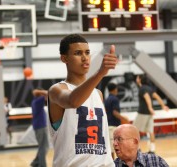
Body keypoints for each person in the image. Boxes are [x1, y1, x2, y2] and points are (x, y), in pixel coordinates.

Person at [48, 34, 117, 167]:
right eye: (78, 53)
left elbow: (103, 137)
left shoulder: (98, 94)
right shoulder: (56, 90)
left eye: (87, 52)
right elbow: (72, 101)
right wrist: (100, 73)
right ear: (64, 58)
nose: (85, 57)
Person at [133, 75, 169, 153]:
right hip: (149, 114)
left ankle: (138, 149)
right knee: (150, 131)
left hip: (143, 113)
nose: (136, 79)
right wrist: (163, 106)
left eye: (137, 77)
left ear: (139, 79)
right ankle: (152, 150)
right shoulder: (149, 88)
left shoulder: (142, 89)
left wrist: (150, 108)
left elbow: (147, 97)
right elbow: (157, 97)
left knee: (134, 130)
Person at [104, 82, 129, 159]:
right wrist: (124, 119)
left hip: (108, 125)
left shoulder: (106, 99)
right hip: (115, 126)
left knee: (112, 148)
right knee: (120, 147)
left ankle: (113, 163)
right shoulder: (115, 99)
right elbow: (115, 112)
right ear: (115, 89)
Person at [31, 88, 49, 167]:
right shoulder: (38, 101)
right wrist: (41, 92)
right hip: (40, 126)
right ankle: (42, 165)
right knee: (44, 147)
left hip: (39, 126)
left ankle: (35, 162)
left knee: (43, 146)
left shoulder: (34, 101)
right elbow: (48, 93)